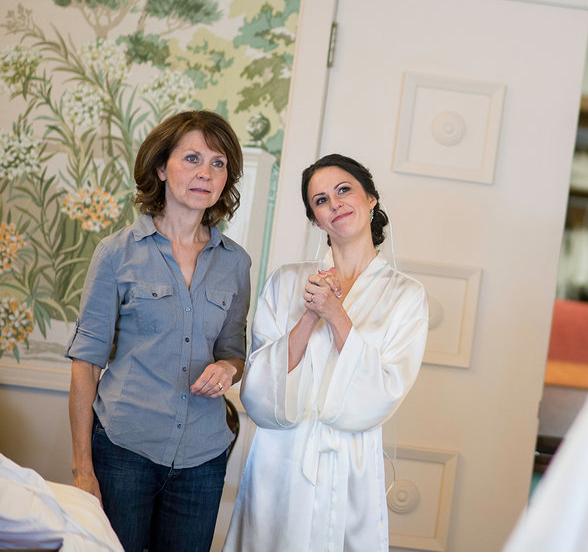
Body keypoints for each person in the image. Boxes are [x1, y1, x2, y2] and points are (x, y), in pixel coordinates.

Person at [66, 110, 251, 552]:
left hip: (203, 460)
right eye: (192, 159)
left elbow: (233, 352)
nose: (206, 173)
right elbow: (86, 366)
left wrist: (228, 368)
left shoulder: (236, 263)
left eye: (218, 163)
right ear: (161, 168)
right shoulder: (115, 254)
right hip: (124, 451)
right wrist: (82, 470)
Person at [224, 154, 428, 552]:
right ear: (315, 219)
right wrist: (309, 317)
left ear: (370, 198)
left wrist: (336, 315)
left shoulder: (406, 296)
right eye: (320, 200)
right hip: (279, 461)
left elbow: (384, 392)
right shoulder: (286, 282)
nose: (333, 203)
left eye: (343, 189)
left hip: (349, 464)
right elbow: (260, 391)